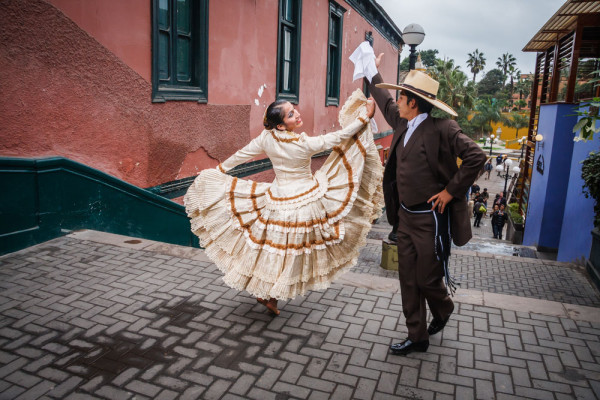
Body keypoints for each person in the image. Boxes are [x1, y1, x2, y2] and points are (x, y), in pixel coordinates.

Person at [184, 92, 384, 315]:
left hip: (276, 201)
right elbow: (337, 137)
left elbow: (243, 154)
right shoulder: (303, 144)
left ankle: (269, 297)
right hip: (304, 202)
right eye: (291, 114)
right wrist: (363, 119)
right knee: (289, 254)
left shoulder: (266, 138)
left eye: (294, 109)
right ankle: (271, 294)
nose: (297, 114)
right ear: (281, 125)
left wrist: (219, 171)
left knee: (270, 250)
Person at [367, 53, 486, 355]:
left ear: (413, 102)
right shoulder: (400, 121)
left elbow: (476, 157)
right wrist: (371, 68)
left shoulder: (443, 128)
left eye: (402, 97)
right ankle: (417, 336)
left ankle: (443, 307)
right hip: (404, 217)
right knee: (408, 278)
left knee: (427, 278)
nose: (397, 102)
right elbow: (382, 99)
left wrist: (450, 191)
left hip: (431, 219)